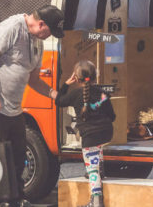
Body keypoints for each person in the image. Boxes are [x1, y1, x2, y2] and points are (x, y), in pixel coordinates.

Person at [0, 5, 64, 207]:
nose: (50, 36)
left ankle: (15, 200)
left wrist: (55, 94)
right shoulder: (11, 28)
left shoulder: (38, 42)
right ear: (41, 24)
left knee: (18, 154)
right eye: (50, 31)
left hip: (13, 106)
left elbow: (34, 79)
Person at [55, 60, 115, 207]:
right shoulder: (104, 94)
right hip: (107, 132)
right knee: (97, 146)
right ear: (97, 75)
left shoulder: (75, 95)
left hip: (90, 136)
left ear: (76, 77)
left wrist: (66, 84)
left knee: (91, 167)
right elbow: (112, 116)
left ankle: (96, 201)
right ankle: (100, 169)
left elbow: (58, 101)